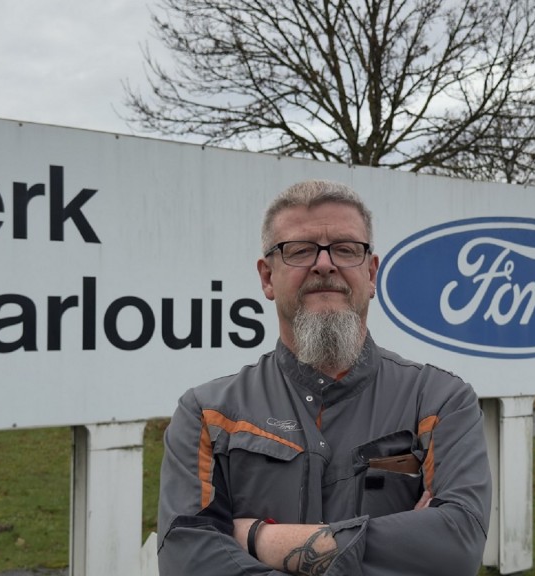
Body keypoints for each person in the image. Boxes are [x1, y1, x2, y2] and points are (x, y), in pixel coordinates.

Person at [156, 180, 492, 575]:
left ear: (371, 273)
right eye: (299, 251)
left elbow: (457, 548)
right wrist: (398, 547)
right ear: (267, 277)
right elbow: (186, 560)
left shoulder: (438, 401)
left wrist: (259, 540)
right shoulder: (209, 416)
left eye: (346, 249)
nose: (325, 264)